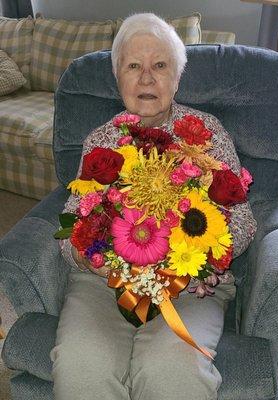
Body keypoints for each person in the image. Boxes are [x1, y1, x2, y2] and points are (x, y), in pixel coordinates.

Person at [51, 13, 257, 400]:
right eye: (133, 66)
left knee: (172, 370)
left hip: (190, 286)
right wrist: (87, 253)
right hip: (105, 284)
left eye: (159, 66)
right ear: (118, 77)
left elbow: (243, 218)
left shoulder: (206, 134)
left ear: (177, 77)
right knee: (81, 364)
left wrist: (199, 255)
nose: (146, 78)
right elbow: (71, 221)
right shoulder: (101, 140)